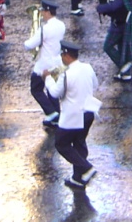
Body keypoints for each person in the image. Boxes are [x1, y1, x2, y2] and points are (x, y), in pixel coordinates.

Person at [45, 40, 101, 190]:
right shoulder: (87, 67)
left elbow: (55, 93)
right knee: (79, 143)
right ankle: (77, 178)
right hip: (89, 112)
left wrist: (48, 79)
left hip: (73, 116)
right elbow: (95, 85)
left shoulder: (66, 75)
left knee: (62, 144)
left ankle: (86, 168)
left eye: (62, 55)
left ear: (66, 55)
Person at [24, 0, 65, 126]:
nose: (41, 14)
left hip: (44, 65)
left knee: (36, 89)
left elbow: (29, 45)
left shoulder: (44, 29)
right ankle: (56, 116)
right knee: (52, 90)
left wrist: (27, 40)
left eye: (43, 11)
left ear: (48, 12)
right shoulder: (61, 25)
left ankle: (51, 112)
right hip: (57, 62)